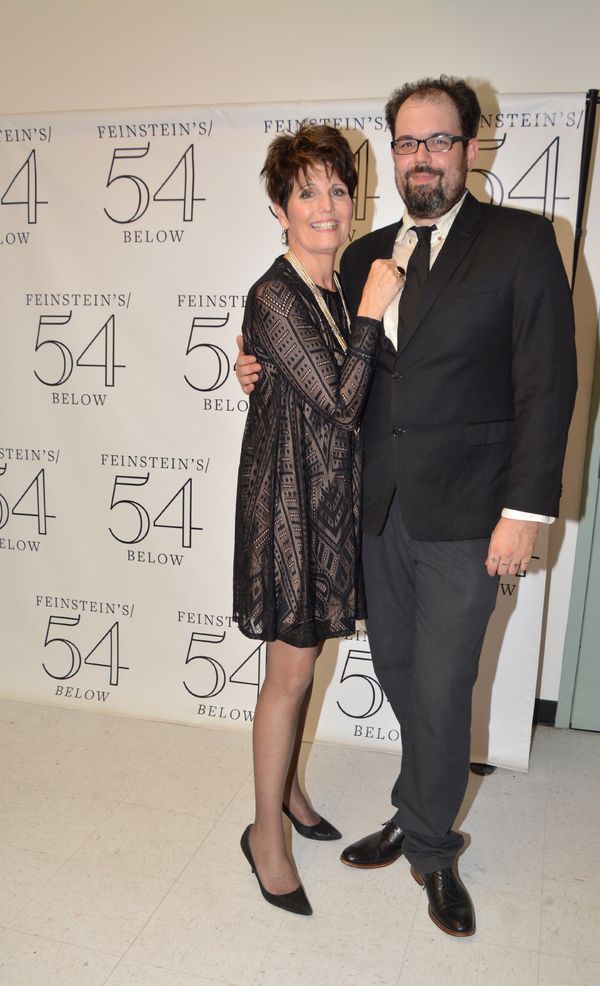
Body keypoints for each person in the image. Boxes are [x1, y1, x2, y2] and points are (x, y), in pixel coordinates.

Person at [235, 78, 577, 936]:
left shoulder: (524, 243)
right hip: (371, 513)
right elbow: (331, 369)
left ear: (469, 148)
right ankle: (416, 797)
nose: (423, 156)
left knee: (444, 679)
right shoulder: (363, 254)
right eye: (408, 143)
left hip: (469, 514)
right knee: (400, 672)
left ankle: (430, 844)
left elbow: (549, 381)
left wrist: (525, 510)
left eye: (440, 140)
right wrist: (255, 371)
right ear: (394, 156)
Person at [233, 124, 402, 917]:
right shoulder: (275, 294)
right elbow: (339, 400)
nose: (327, 205)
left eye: (337, 188)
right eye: (307, 192)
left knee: (304, 667)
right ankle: (266, 835)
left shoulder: (344, 282)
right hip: (291, 507)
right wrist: (372, 312)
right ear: (279, 208)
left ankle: (291, 792)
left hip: (333, 501)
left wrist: (361, 309)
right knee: (291, 673)